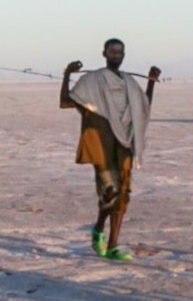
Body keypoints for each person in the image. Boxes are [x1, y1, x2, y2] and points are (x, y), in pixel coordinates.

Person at [61, 40, 159, 260]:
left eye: (120, 51)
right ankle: (98, 229)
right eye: (112, 51)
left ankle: (113, 245)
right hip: (102, 144)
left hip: (124, 144)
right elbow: (66, 101)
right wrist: (67, 74)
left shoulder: (129, 83)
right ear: (104, 53)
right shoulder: (92, 81)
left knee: (123, 194)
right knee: (110, 192)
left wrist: (151, 82)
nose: (116, 54)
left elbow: (143, 106)